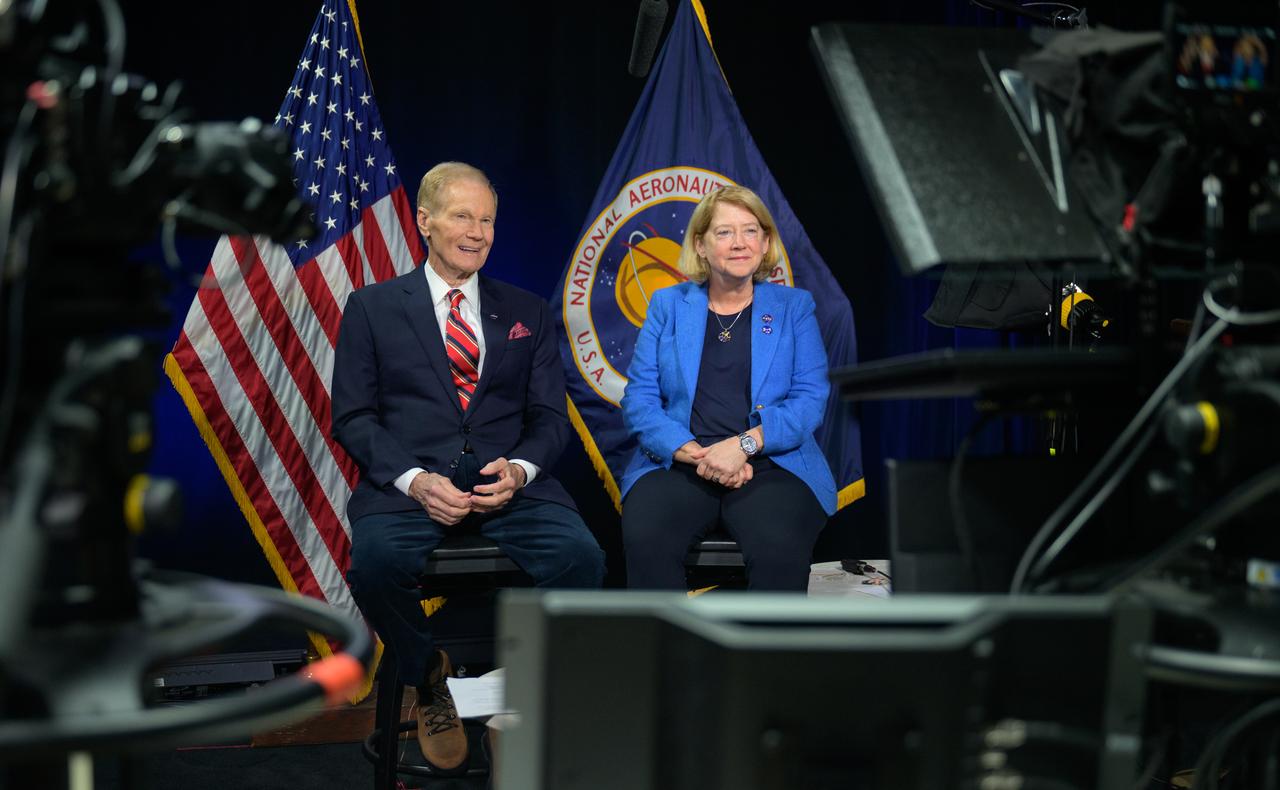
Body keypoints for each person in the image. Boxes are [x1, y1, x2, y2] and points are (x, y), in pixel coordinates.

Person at [331, 161, 605, 773]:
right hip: (409, 492)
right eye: (463, 216)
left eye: (487, 220)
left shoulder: (527, 310)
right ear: (425, 221)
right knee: (375, 566)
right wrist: (416, 481)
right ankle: (428, 676)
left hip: (510, 491)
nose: (477, 232)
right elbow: (353, 417)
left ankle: (519, 703)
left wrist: (521, 471)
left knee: (582, 559)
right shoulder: (372, 308)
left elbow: (550, 418)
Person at [619, 185, 836, 591]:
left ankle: (761, 639)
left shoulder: (794, 307)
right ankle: (665, 638)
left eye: (750, 230)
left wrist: (743, 446)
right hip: (682, 460)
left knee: (778, 545)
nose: (740, 243)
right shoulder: (668, 305)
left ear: (765, 242)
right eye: (724, 232)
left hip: (773, 461)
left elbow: (809, 400)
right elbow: (639, 399)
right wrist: (694, 453)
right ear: (700, 245)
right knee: (646, 539)